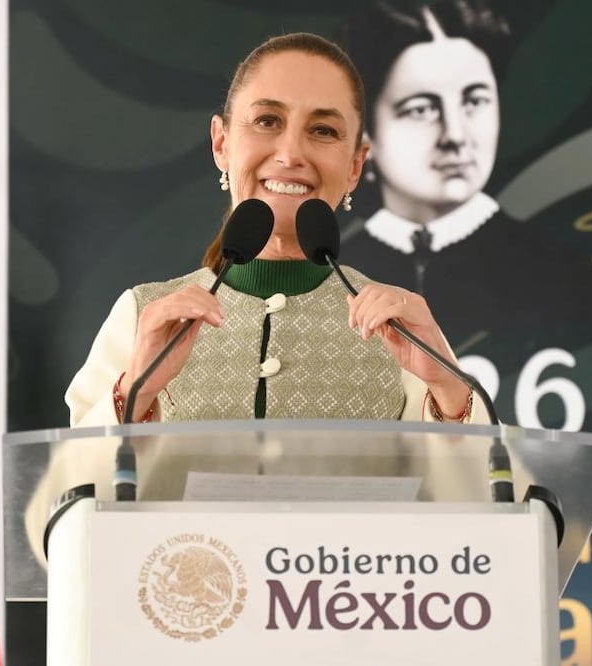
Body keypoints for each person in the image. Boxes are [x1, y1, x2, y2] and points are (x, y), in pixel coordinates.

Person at [65, 31, 489, 429]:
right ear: (221, 144)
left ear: (355, 165)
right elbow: (71, 478)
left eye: (323, 130)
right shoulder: (143, 314)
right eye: (267, 121)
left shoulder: (400, 325)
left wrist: (447, 387)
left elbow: (489, 479)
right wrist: (136, 390)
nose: (290, 154)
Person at [338, 1, 592, 388]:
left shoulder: (569, 280)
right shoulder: (332, 277)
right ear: (366, 132)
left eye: (474, 101)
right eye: (421, 109)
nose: (456, 135)